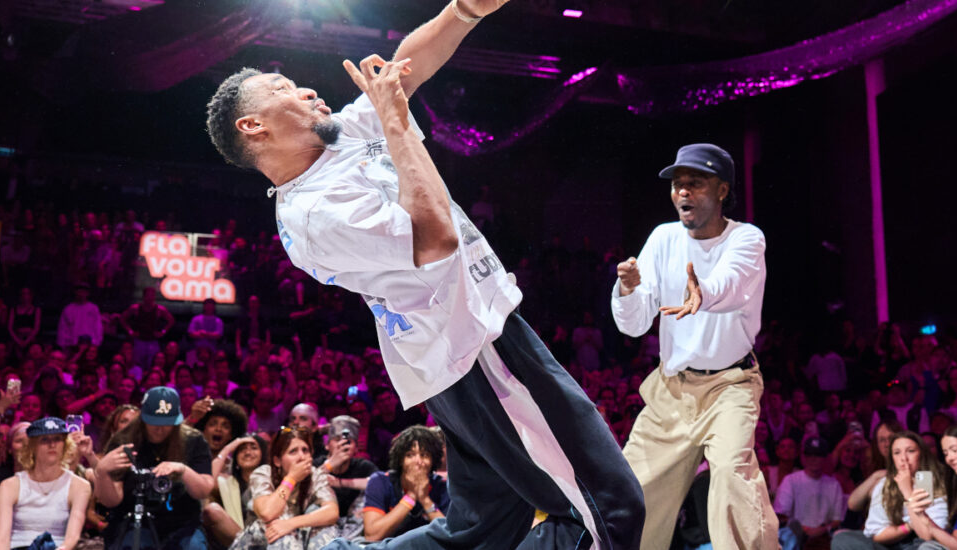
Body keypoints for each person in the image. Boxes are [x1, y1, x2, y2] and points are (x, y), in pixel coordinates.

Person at [202, 0, 642, 545]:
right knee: (606, 511)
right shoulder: (313, 213)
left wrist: (462, 11)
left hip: (457, 354)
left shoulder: (336, 139)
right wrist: (397, 124)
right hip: (475, 351)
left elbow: (401, 71)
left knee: (480, 531)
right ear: (254, 126)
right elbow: (436, 236)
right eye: (284, 89)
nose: (307, 91)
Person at [612, 142, 776, 549]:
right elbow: (634, 326)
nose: (682, 192)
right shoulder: (664, 238)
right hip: (672, 390)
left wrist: (703, 291)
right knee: (631, 491)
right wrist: (628, 290)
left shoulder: (747, 238)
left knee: (731, 480)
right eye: (678, 185)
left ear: (722, 190)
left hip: (729, 387)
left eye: (695, 183)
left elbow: (733, 284)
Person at [96, 387, 215, 550]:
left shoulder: (193, 440)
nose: (160, 429)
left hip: (182, 522)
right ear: (143, 418)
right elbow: (111, 501)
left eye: (167, 423)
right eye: (154, 422)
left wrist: (183, 470)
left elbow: (203, 490)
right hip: (133, 520)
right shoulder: (124, 440)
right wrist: (103, 472)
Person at [831, 432, 950, 550]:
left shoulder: (933, 482)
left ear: (922, 454)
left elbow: (928, 536)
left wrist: (907, 491)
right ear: (892, 458)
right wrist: (909, 526)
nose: (904, 458)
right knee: (842, 539)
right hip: (892, 545)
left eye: (910, 451)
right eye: (897, 453)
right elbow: (877, 535)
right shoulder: (885, 483)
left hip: (922, 545)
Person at [229, 428, 337, 550]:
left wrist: (291, 523)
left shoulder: (315, 475)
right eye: (293, 452)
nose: (301, 457)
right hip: (256, 541)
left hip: (294, 534)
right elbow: (267, 513)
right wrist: (291, 478)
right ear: (277, 461)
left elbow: (332, 512)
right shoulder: (263, 474)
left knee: (324, 526)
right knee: (280, 525)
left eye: (305, 450)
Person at [0, 418, 92, 550]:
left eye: (57, 439)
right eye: (44, 440)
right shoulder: (10, 486)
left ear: (65, 444)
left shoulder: (80, 486)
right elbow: (1, 540)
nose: (52, 445)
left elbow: (72, 538)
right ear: (32, 446)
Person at [361, 426, 448, 543]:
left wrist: (425, 499)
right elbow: (372, 535)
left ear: (433, 461)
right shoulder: (380, 481)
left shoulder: (442, 486)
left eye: (424, 455)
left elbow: (449, 534)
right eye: (410, 455)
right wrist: (411, 496)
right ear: (400, 460)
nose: (418, 461)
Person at [774, 437, 846, 550]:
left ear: (825, 458)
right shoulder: (791, 480)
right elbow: (781, 516)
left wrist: (821, 530)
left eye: (818, 455)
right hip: (796, 538)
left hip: (824, 538)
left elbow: (837, 520)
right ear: (804, 457)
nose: (813, 459)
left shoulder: (834, 485)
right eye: (810, 455)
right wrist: (804, 530)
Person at [203, 434, 265, 549]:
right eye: (242, 449)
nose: (248, 452)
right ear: (235, 457)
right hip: (238, 541)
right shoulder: (227, 482)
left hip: (267, 539)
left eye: (254, 448)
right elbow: (205, 482)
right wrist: (227, 449)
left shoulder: (273, 480)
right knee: (211, 509)